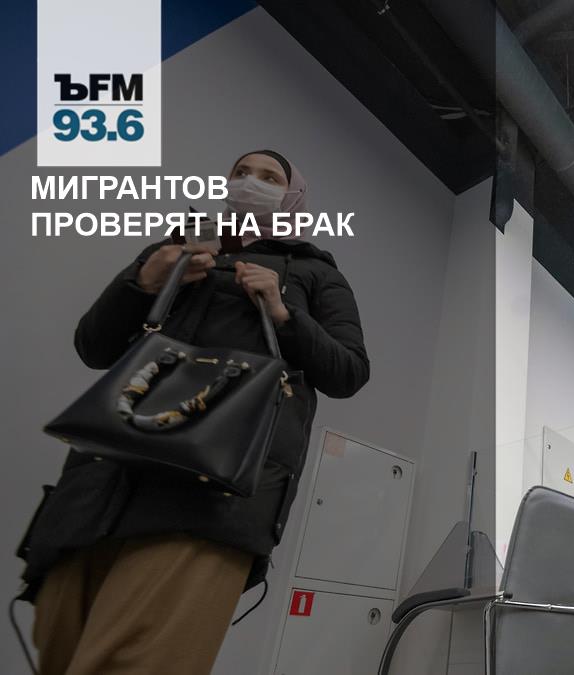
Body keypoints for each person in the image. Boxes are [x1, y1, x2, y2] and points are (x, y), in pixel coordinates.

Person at [17, 150, 370, 675]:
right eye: (241, 173)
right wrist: (143, 280)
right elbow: (94, 346)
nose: (250, 182)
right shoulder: (177, 248)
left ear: (294, 195)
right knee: (60, 650)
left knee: (140, 661)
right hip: (102, 482)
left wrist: (282, 311)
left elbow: (349, 372)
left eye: (269, 177)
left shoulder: (316, 273)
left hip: (213, 495)